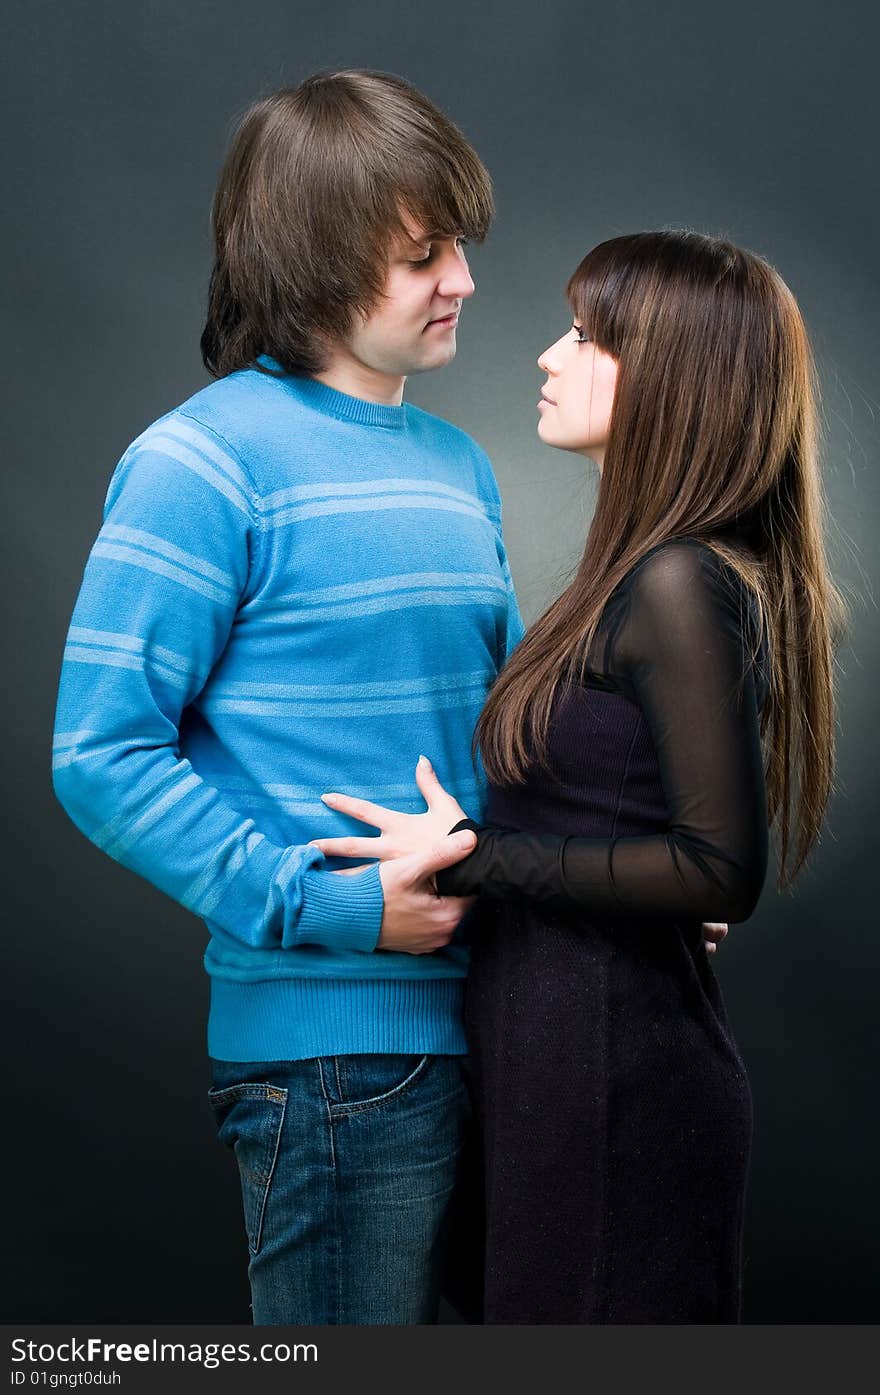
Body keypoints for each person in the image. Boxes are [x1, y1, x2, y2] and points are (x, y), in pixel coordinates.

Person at [310, 230, 847, 1323]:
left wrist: (470, 858)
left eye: (588, 337)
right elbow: (634, 830)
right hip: (555, 1072)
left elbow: (716, 871)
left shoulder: (679, 581)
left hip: (616, 1090)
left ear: (675, 378)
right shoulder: (627, 577)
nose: (550, 357)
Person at [51, 70, 512, 1326]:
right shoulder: (200, 463)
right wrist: (331, 909)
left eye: (459, 245)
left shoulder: (459, 465)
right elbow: (102, 754)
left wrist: (641, 878)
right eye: (424, 254)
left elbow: (509, 746)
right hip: (333, 1066)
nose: (462, 279)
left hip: (508, 1029)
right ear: (317, 259)